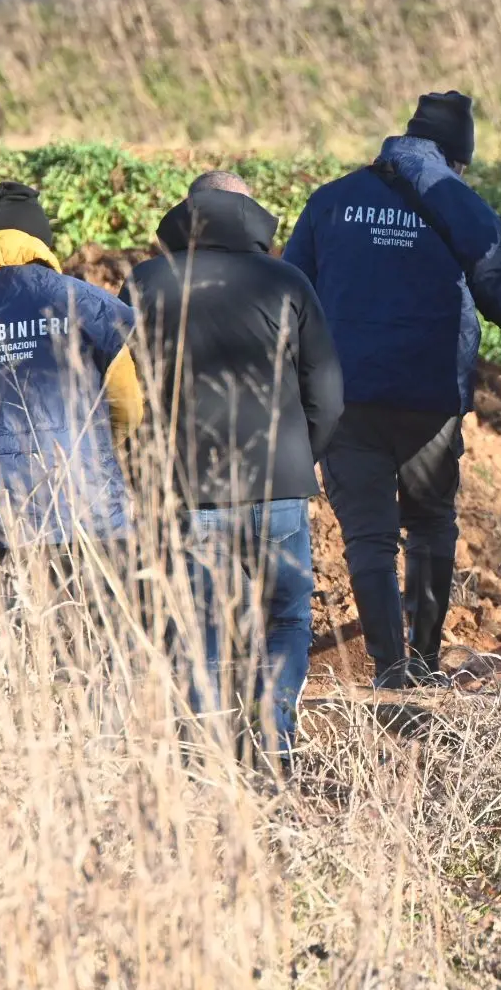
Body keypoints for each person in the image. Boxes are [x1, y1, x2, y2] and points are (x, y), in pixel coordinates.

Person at [282, 91, 501, 689]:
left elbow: (290, 296)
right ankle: (427, 660)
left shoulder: (332, 202)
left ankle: (391, 669)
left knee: (368, 534)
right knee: (431, 523)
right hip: (430, 396)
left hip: (346, 395)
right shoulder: (462, 206)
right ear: (458, 156)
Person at [122, 171, 344, 764]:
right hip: (279, 490)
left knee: (199, 621)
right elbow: (326, 390)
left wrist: (143, 466)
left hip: (188, 491)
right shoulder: (287, 282)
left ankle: (206, 756)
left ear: (187, 212)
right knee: (287, 619)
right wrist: (298, 459)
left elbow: (124, 388)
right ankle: (273, 737)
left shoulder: (145, 282)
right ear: (250, 212)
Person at [0, 181, 144, 592]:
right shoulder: (89, 305)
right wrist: (95, 450)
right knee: (98, 637)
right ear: (41, 241)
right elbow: (127, 407)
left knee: (6, 637)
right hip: (89, 506)